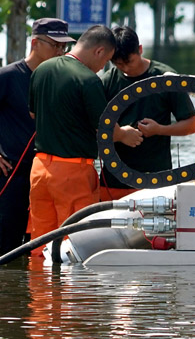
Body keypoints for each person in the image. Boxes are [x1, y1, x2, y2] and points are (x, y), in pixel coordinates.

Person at [0, 18, 75, 255]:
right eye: (54, 45)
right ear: (35, 42)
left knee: (42, 246)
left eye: (64, 47)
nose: (60, 51)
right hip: (13, 173)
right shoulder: (8, 76)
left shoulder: (61, 78)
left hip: (48, 174)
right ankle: (4, 291)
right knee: (4, 245)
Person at [27, 24, 142, 240]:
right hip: (73, 173)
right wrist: (125, 134)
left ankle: (37, 275)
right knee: (76, 240)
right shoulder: (88, 81)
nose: (101, 68)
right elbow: (106, 130)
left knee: (41, 240)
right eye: (104, 61)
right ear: (99, 51)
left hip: (40, 170)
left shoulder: (41, 69)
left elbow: (33, 114)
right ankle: (74, 277)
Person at [99, 26, 195, 201]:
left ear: (140, 49)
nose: (124, 68)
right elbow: (94, 126)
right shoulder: (108, 81)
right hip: (114, 180)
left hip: (156, 179)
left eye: (128, 62)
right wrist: (120, 134)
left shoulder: (166, 78)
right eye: (118, 64)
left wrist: (159, 129)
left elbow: (192, 125)